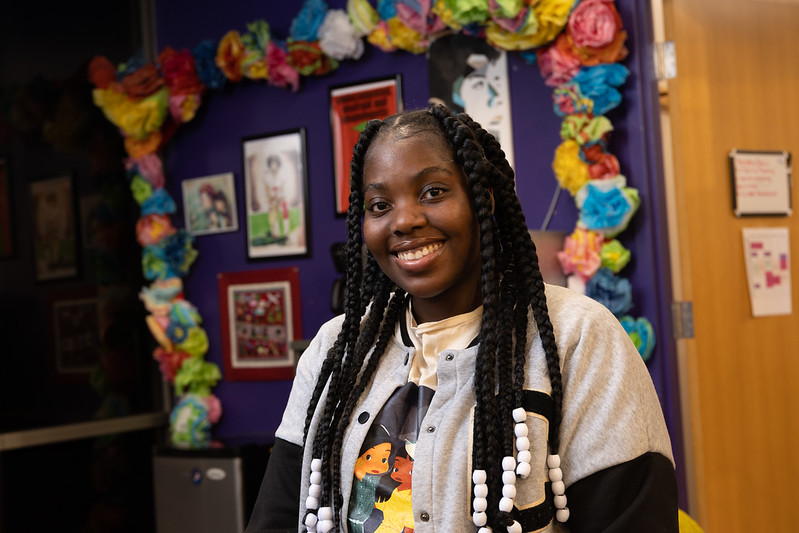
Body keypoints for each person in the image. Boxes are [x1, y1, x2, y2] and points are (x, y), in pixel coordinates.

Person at [246, 105, 677, 533]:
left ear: (482, 200)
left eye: (432, 192)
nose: (404, 220)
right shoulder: (335, 348)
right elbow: (278, 516)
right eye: (379, 204)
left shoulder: (577, 338)